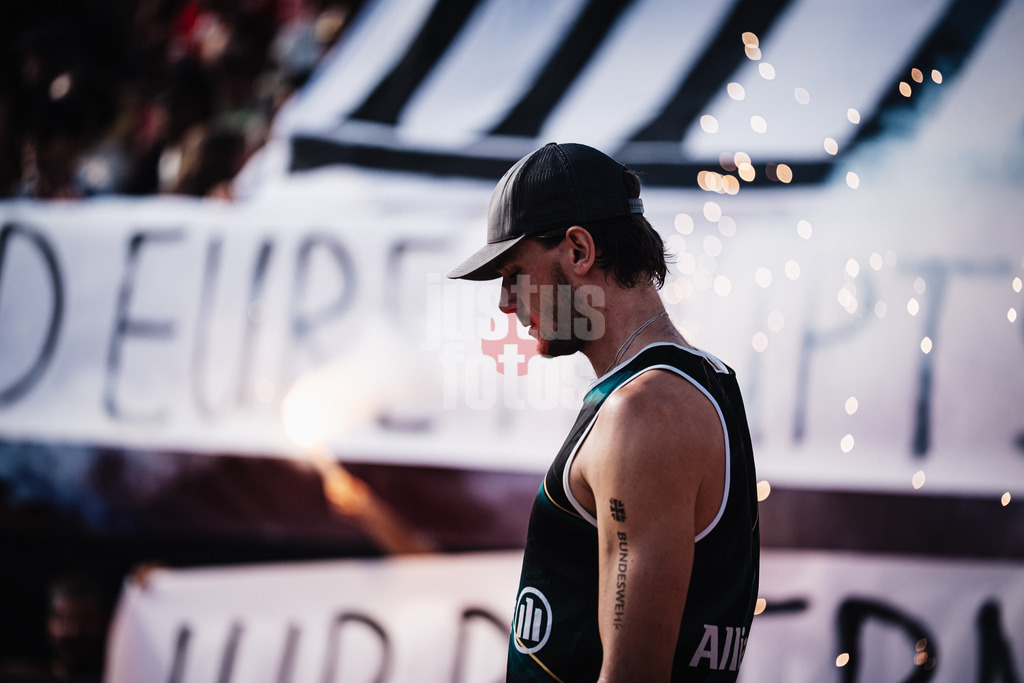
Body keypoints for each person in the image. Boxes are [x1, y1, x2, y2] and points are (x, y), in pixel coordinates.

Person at [448, 143, 760, 681]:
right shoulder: (691, 384)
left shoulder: (644, 410)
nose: (504, 301)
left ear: (577, 250)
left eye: (514, 271)